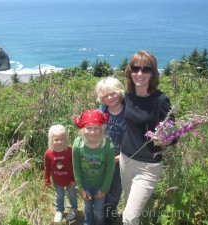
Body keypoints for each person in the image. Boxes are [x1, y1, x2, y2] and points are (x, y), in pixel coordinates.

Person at [120, 50, 177, 225]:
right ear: (130, 72)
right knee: (130, 209)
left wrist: (166, 139)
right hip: (125, 159)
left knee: (129, 217)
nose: (140, 73)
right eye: (136, 68)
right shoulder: (127, 96)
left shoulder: (160, 100)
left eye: (146, 69)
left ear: (152, 73)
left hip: (148, 166)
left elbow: (174, 135)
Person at [72, 109, 115, 225]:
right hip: (85, 185)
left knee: (99, 212)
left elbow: (110, 170)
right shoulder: (77, 146)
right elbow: (76, 168)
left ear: (102, 128)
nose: (92, 132)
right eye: (89, 128)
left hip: (100, 185)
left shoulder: (108, 147)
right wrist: (80, 188)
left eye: (96, 128)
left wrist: (104, 189)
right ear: (82, 129)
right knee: (87, 209)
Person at [95, 77, 127, 223]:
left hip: (123, 156)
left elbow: (136, 138)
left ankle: (110, 209)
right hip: (102, 156)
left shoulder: (129, 112)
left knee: (116, 185)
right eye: (105, 95)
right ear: (101, 98)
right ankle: (99, 209)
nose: (109, 97)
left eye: (112, 93)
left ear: (120, 91)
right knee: (101, 184)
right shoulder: (100, 112)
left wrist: (123, 156)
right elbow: (91, 134)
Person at [44, 124, 78, 223]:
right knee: (59, 195)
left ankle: (73, 209)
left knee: (72, 194)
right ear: (51, 140)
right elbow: (47, 168)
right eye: (56, 139)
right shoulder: (49, 153)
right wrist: (46, 180)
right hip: (57, 180)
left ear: (65, 138)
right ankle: (59, 211)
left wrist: (74, 179)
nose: (59, 142)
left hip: (70, 180)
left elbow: (75, 166)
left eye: (61, 139)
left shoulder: (69, 151)